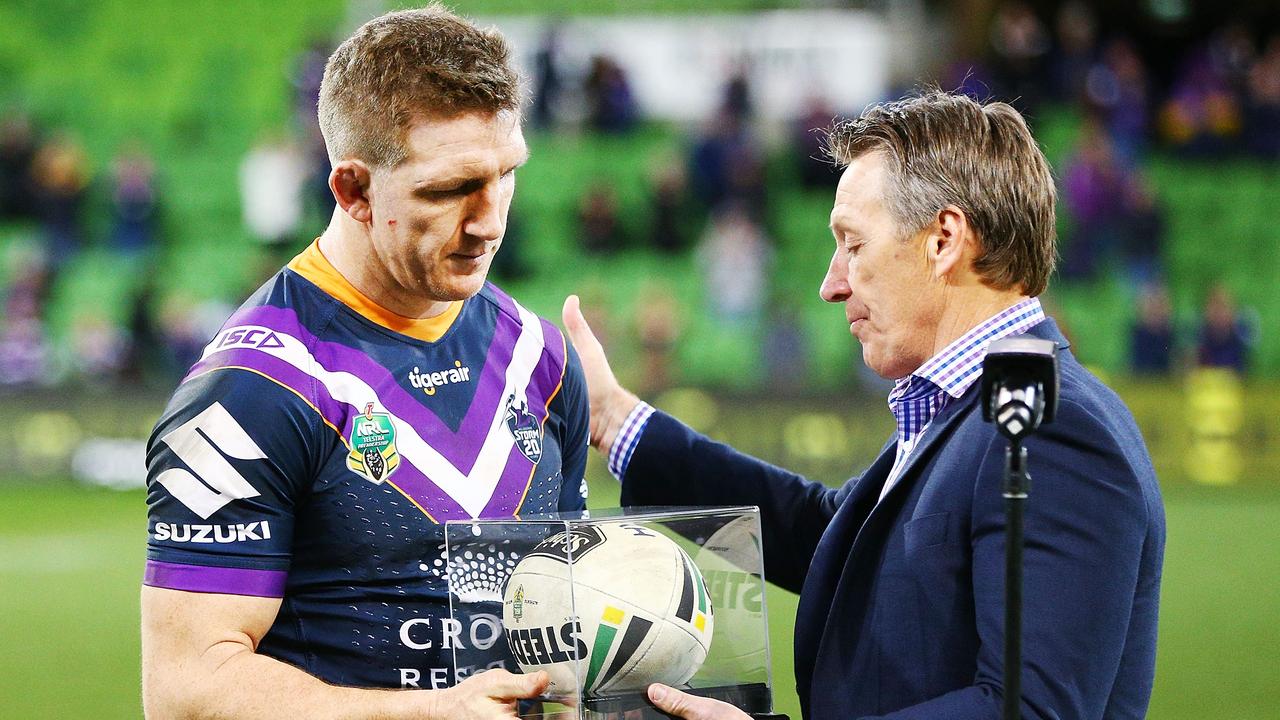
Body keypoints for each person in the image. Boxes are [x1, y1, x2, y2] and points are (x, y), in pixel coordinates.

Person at [563, 90, 1165, 719]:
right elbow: (839, 536)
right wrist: (614, 418)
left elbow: (1033, 710)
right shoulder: (975, 411)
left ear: (943, 241)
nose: (831, 284)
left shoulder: (1045, 430)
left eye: (852, 244)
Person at [141, 7, 589, 719]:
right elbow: (186, 690)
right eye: (448, 189)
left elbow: (560, 621)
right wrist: (421, 713)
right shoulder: (248, 394)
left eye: (506, 174)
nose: (490, 220)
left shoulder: (546, 360)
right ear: (351, 189)